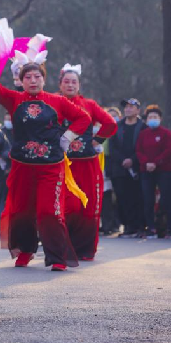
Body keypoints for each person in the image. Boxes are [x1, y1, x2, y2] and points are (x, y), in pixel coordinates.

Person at [0, 61, 91, 271]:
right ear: (21, 81)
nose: (33, 81)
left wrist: (67, 137)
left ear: (44, 79)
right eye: (28, 77)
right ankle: (25, 250)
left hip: (51, 166)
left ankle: (57, 256)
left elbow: (83, 118)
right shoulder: (14, 99)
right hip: (22, 165)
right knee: (22, 211)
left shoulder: (57, 101)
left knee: (49, 211)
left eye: (37, 77)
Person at [56, 65, 117, 259]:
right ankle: (62, 247)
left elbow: (110, 123)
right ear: (60, 84)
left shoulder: (89, 104)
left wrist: (97, 140)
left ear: (79, 85)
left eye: (74, 82)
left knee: (88, 208)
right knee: (65, 206)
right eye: (67, 81)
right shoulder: (52, 102)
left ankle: (84, 249)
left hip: (87, 164)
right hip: (60, 164)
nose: (70, 85)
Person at [109, 98, 146, 237]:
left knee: (137, 197)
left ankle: (139, 226)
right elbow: (111, 147)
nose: (128, 109)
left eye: (132, 107)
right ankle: (127, 226)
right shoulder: (117, 126)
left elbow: (144, 147)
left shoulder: (143, 127)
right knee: (121, 198)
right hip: (119, 169)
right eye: (126, 107)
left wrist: (132, 159)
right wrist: (122, 160)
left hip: (137, 169)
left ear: (138, 110)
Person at [135, 105, 171, 238]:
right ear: (146, 120)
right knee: (147, 199)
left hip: (164, 170)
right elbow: (138, 151)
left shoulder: (166, 133)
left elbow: (168, 151)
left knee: (166, 198)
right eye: (150, 117)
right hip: (146, 170)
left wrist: (156, 162)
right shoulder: (143, 135)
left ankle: (167, 227)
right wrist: (147, 163)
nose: (153, 119)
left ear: (160, 118)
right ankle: (150, 227)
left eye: (155, 117)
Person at [100, 107, 122, 235]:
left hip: (118, 164)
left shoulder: (121, 130)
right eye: (109, 116)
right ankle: (108, 224)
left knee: (118, 196)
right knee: (106, 197)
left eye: (115, 116)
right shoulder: (101, 131)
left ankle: (117, 223)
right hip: (104, 163)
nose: (112, 118)